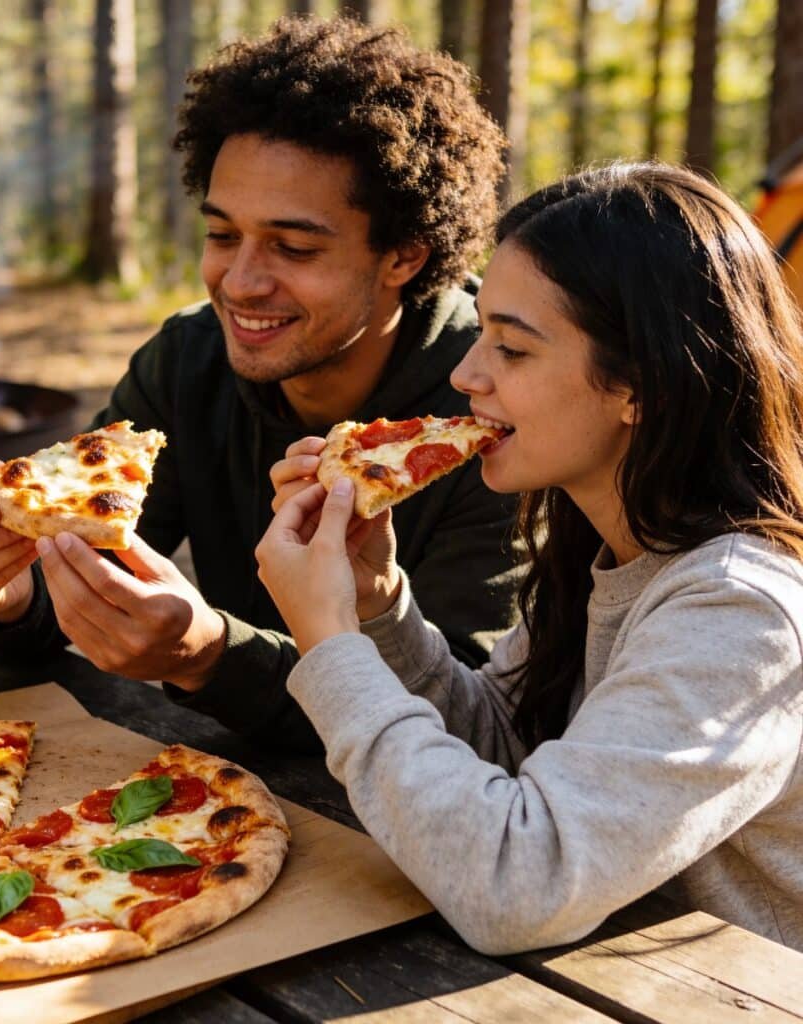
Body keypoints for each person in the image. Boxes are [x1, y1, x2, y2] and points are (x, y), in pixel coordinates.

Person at [0, 17, 520, 751]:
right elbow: (75, 579)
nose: (239, 283)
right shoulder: (187, 361)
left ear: (404, 257)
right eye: (222, 234)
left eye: (293, 247)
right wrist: (4, 595)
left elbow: (462, 714)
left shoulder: (493, 413)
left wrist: (209, 656)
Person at [255, 161, 803, 953]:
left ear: (639, 385)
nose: (465, 375)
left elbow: (518, 884)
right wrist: (377, 606)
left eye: (511, 349)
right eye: (481, 333)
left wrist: (330, 640)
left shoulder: (738, 613)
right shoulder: (602, 544)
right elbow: (509, 746)